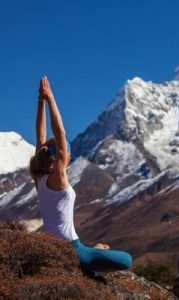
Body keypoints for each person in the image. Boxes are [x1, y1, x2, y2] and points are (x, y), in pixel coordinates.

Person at [30, 76, 132, 273]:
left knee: (101, 253)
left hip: (54, 249)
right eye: (67, 152)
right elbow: (59, 134)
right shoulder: (57, 178)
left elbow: (40, 135)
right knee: (127, 260)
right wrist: (50, 99)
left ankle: (92, 251)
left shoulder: (39, 177)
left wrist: (40, 102)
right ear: (61, 155)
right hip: (73, 250)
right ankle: (90, 254)